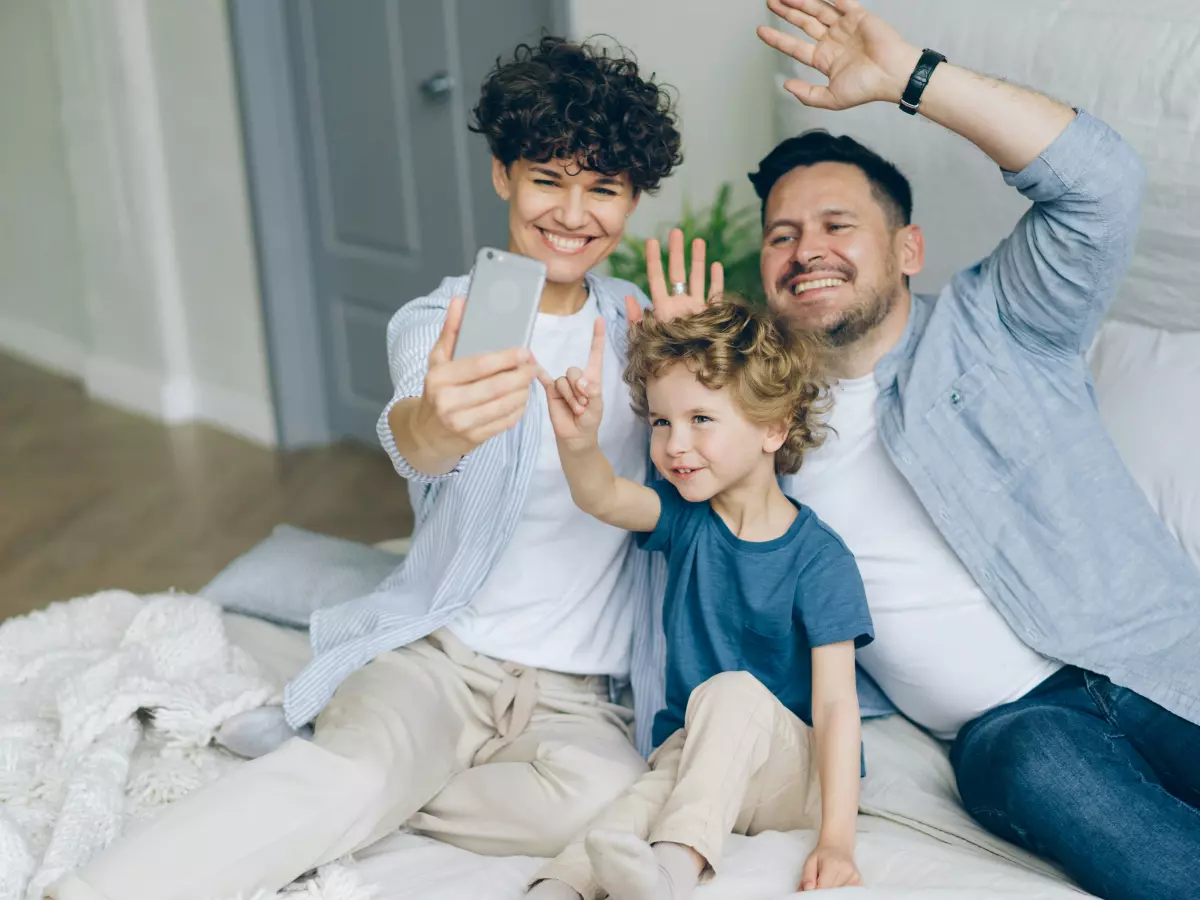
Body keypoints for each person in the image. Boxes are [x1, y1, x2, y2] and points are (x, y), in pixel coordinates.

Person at [48, 36, 699, 900]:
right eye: (548, 179)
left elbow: (703, 491)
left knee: (602, 800)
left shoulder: (645, 328)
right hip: (445, 655)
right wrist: (438, 423)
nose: (573, 213)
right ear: (504, 174)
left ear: (633, 199)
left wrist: (701, 365)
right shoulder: (438, 322)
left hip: (582, 690)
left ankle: (390, 785)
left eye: (603, 189)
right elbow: (414, 438)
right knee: (354, 775)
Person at [635, 2, 1195, 899]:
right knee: (1054, 781)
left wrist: (912, 81)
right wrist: (688, 385)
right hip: (1014, 731)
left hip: (1156, 657)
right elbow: (678, 512)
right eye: (782, 234)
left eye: (835, 225)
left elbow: (1104, 183)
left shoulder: (1005, 322)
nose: (805, 248)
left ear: (908, 249)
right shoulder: (764, 427)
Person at [528, 299, 874, 900]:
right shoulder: (687, 519)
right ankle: (557, 889)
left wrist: (837, 839)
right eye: (661, 422)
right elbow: (604, 497)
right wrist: (577, 443)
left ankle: (670, 874)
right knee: (644, 795)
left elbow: (838, 705)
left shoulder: (820, 559)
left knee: (733, 692)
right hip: (697, 758)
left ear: (774, 427)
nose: (674, 444)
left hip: (792, 779)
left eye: (700, 420)